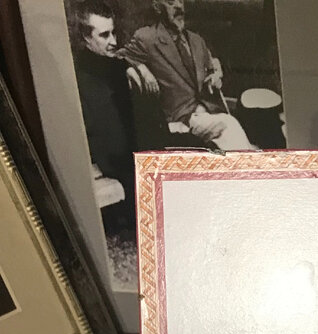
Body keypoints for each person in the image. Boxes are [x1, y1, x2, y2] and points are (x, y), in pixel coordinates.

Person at [122, 0, 253, 151]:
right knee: (229, 126)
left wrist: (216, 73)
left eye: (181, 1)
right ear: (157, 8)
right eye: (171, 2)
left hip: (208, 110)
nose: (179, 6)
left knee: (235, 135)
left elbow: (212, 65)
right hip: (180, 118)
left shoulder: (196, 40)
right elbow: (118, 57)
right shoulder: (147, 38)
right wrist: (141, 69)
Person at [71, 2, 140, 227]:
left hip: (128, 149)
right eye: (104, 35)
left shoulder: (113, 66)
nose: (114, 41)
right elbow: (99, 134)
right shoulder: (80, 77)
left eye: (113, 33)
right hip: (112, 157)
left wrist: (132, 67)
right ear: (86, 37)